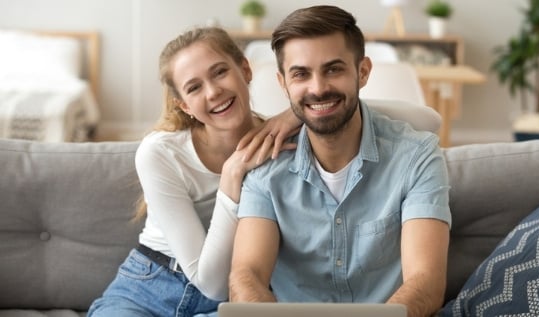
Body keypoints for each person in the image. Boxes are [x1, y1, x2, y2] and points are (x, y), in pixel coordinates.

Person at [228, 5, 451, 317]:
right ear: (283, 84)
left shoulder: (416, 156)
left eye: (333, 69)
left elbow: (426, 283)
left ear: (362, 71)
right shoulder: (266, 166)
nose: (318, 88)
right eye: (301, 74)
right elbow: (246, 275)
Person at [88, 27, 299, 317]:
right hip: (148, 289)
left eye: (220, 72)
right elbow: (209, 282)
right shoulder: (161, 153)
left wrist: (296, 112)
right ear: (184, 105)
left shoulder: (280, 141)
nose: (213, 92)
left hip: (237, 293)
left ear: (245, 69)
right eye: (194, 87)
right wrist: (231, 176)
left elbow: (349, 105)